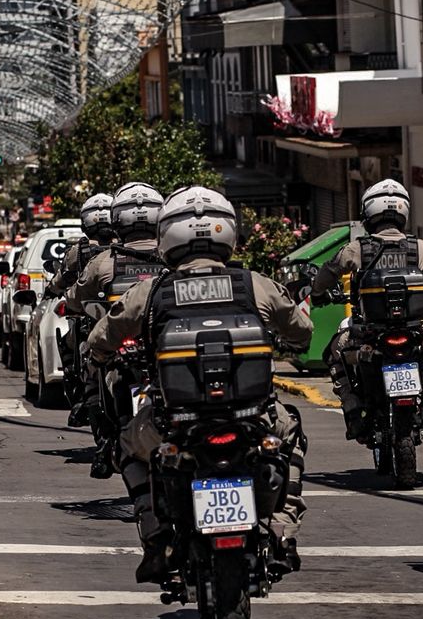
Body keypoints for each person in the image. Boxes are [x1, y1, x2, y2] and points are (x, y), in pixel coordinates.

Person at [87, 186, 314, 583]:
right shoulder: (253, 283)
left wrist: (101, 357)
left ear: (168, 236)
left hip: (176, 423)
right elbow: (302, 332)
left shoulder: (152, 291)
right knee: (290, 436)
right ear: (227, 232)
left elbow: (100, 339)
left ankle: (156, 538)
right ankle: (283, 532)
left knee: (126, 444)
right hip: (253, 418)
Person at [309, 178, 423, 439]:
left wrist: (318, 293)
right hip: (415, 331)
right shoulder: (420, 248)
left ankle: (353, 411)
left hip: (368, 333)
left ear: (369, 213)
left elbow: (327, 273)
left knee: (334, 353)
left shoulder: (356, 248)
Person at [72, 182, 165, 479]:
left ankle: (105, 436)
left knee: (92, 360)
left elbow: (74, 296)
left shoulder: (103, 262)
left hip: (122, 350)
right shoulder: (171, 258)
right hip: (163, 347)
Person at [50, 192, 115, 428]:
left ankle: (84, 394)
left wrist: (55, 291)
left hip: (94, 318)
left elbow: (63, 282)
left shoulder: (80, 252)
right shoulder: (126, 249)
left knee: (69, 343)